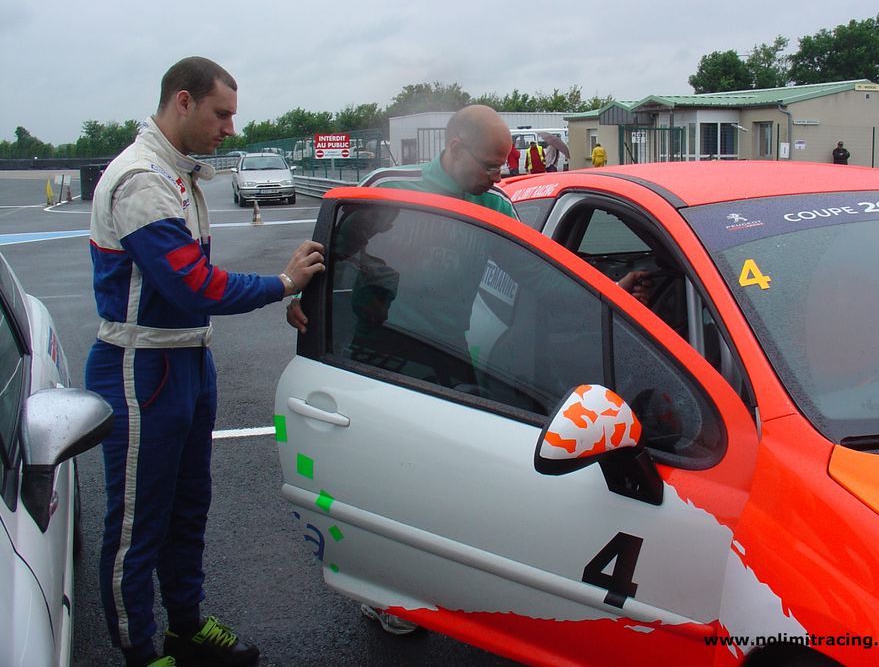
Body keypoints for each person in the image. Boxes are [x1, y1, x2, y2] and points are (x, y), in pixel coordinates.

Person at [285, 106, 651, 637]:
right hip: (373, 356)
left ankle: (452, 580)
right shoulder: (392, 201)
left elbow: (542, 277)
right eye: (488, 164)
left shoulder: (493, 207)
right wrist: (298, 294)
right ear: (453, 149)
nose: (499, 175)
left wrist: (613, 298)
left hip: (448, 358)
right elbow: (327, 255)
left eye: (501, 165)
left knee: (446, 482)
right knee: (387, 484)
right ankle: (389, 590)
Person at [86, 56, 326, 667]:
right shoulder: (140, 179)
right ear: (183, 102)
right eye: (222, 114)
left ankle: (185, 628)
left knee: (189, 509)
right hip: (141, 368)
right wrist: (281, 283)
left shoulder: (179, 175)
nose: (230, 129)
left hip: (188, 361)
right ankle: (141, 651)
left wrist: (287, 290)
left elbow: (197, 295)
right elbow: (193, 286)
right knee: (140, 523)